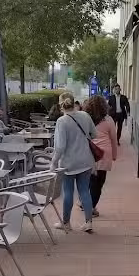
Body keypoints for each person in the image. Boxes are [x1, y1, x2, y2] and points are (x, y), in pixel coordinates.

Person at [51, 95, 97, 232]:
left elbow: (60, 147)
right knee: (84, 191)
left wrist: (53, 163)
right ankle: (88, 222)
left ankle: (66, 223)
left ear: (61, 105)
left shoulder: (62, 121)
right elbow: (94, 135)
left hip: (68, 163)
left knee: (68, 192)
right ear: (73, 102)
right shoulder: (85, 115)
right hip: (85, 160)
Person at [82, 95, 118, 217]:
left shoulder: (85, 119)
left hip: (88, 153)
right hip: (103, 154)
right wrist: (114, 155)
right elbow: (113, 139)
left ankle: (85, 203)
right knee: (99, 183)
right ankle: (91, 207)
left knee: (88, 181)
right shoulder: (108, 120)